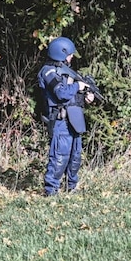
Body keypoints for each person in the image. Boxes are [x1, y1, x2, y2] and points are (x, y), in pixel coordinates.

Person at [37, 36, 95, 196]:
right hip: (60, 120)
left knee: (75, 155)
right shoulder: (48, 71)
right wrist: (78, 85)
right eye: (69, 54)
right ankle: (51, 190)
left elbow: (71, 96)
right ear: (60, 53)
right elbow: (61, 94)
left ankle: (72, 187)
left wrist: (85, 96)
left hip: (74, 118)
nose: (71, 57)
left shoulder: (66, 71)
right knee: (60, 156)